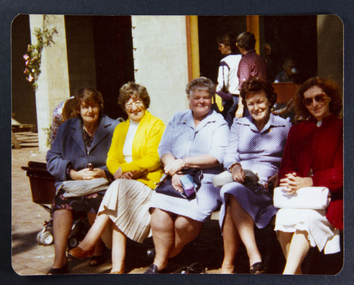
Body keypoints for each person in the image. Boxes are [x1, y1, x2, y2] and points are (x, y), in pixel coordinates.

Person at [69, 82, 165, 274]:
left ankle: (90, 240)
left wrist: (126, 170)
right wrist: (121, 172)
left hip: (147, 183)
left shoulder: (155, 124)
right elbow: (111, 159)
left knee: (117, 188)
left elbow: (154, 158)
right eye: (128, 104)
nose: (134, 107)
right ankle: (117, 268)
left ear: (144, 103)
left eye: (137, 102)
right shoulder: (120, 128)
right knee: (118, 199)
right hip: (124, 183)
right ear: (123, 106)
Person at [145, 77, 229, 273]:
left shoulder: (219, 123)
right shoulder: (177, 118)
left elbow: (217, 157)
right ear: (189, 99)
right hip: (174, 178)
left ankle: (167, 253)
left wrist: (183, 162)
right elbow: (164, 148)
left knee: (184, 222)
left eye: (206, 97)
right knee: (159, 212)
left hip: (205, 180)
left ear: (212, 99)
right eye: (196, 97)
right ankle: (159, 261)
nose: (201, 101)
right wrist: (173, 170)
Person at [219, 77, 292, 274]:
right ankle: (254, 256)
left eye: (260, 101)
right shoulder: (239, 125)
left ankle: (228, 264)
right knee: (232, 190)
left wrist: (280, 175)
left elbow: (293, 159)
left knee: (230, 195)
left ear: (270, 101)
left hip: (269, 188)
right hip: (243, 180)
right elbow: (230, 154)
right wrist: (234, 166)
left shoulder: (284, 126)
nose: (256, 107)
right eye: (250, 103)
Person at [46, 87, 119, 274]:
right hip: (74, 183)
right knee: (61, 205)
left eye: (93, 106)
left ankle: (99, 248)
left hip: (101, 184)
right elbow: (52, 159)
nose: (90, 111)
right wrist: (72, 173)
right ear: (78, 109)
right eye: (85, 107)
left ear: (100, 106)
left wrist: (104, 173)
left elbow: (124, 159)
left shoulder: (114, 127)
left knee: (96, 201)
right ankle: (60, 258)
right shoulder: (65, 128)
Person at [274, 77, 343, 275]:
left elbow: (343, 172)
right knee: (283, 217)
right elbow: (287, 166)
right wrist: (290, 180)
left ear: (330, 98)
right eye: (308, 101)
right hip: (299, 198)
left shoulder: (342, 128)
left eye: (319, 98)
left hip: (331, 200)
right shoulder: (297, 130)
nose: (315, 104)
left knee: (305, 220)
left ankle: (287, 276)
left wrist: (311, 181)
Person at [235, 31, 267, 119]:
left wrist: (240, 107)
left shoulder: (245, 61)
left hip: (251, 99)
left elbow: (243, 84)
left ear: (240, 46)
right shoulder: (259, 58)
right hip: (262, 98)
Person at [215, 33, 242, 125]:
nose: (219, 49)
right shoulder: (242, 58)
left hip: (230, 99)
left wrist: (218, 93)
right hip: (242, 98)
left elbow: (222, 83)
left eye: (221, 46)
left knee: (227, 125)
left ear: (228, 46)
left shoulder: (224, 61)